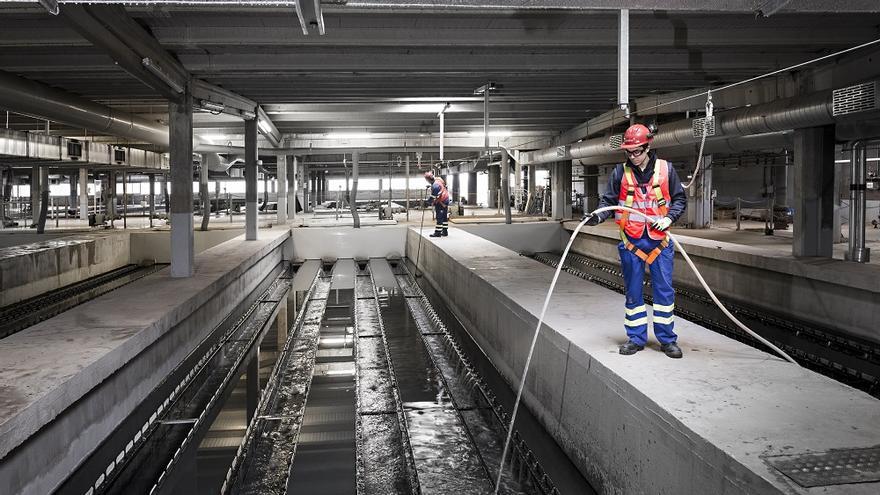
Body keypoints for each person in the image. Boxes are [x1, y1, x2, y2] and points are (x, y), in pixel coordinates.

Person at [584, 124, 687, 358]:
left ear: (647, 146)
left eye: (637, 151)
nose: (632, 156)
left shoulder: (666, 170)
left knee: (664, 293)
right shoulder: (620, 173)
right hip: (631, 242)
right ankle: (636, 338)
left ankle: (667, 340)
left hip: (659, 242)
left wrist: (669, 219)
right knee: (633, 293)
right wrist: (595, 217)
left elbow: (680, 199)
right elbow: (608, 202)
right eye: (628, 152)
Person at [424, 171, 451, 237]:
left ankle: (438, 233)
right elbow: (442, 185)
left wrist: (427, 203)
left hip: (441, 201)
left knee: (439, 217)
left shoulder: (435, 186)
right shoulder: (438, 179)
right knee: (444, 216)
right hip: (446, 199)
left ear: (428, 179)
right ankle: (445, 232)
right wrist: (431, 186)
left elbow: (432, 197)